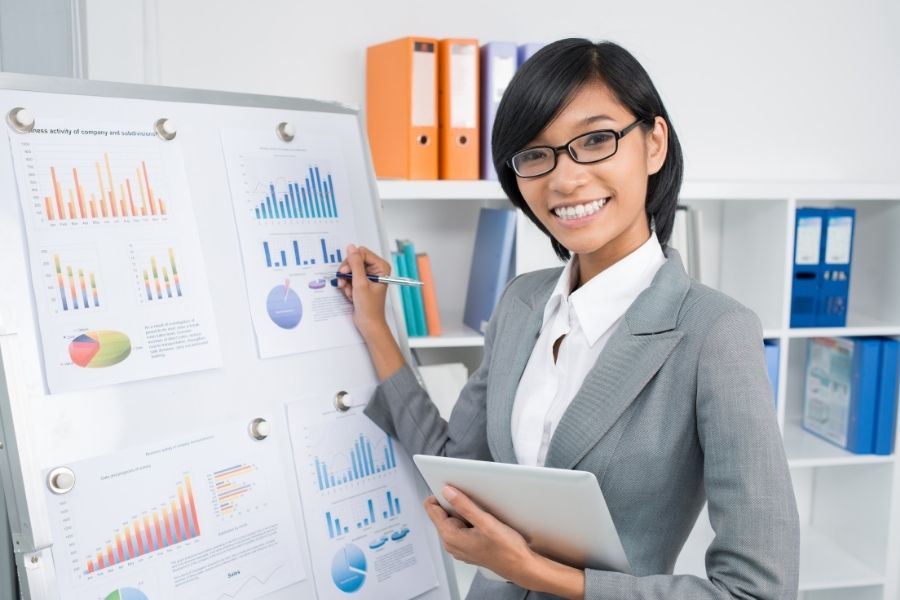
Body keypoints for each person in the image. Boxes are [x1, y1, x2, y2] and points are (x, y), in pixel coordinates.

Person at [337, 38, 799, 600]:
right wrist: (376, 328)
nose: (564, 178)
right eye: (536, 153)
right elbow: (456, 466)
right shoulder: (522, 302)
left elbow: (757, 591)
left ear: (654, 143)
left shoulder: (714, 333)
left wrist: (537, 573)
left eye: (595, 140)